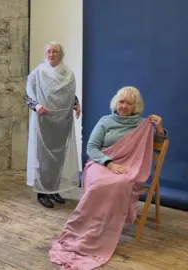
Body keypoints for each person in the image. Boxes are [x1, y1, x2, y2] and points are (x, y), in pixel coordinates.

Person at [49, 86, 167, 269]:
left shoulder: (143, 125)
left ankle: (104, 229)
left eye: (129, 103)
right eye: (121, 101)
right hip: (101, 164)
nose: (124, 106)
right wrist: (109, 163)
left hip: (129, 167)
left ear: (135, 106)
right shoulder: (105, 121)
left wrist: (159, 127)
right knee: (98, 185)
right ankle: (87, 228)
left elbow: (158, 143)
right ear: (115, 102)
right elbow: (92, 148)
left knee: (120, 182)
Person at [24, 41, 81, 208]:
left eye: (54, 52)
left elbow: (68, 94)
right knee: (44, 160)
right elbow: (27, 96)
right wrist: (36, 106)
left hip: (62, 123)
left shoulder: (68, 74)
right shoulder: (38, 73)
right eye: (48, 51)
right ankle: (42, 192)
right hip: (44, 122)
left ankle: (54, 189)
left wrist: (76, 103)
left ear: (60, 54)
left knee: (58, 158)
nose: (51, 54)